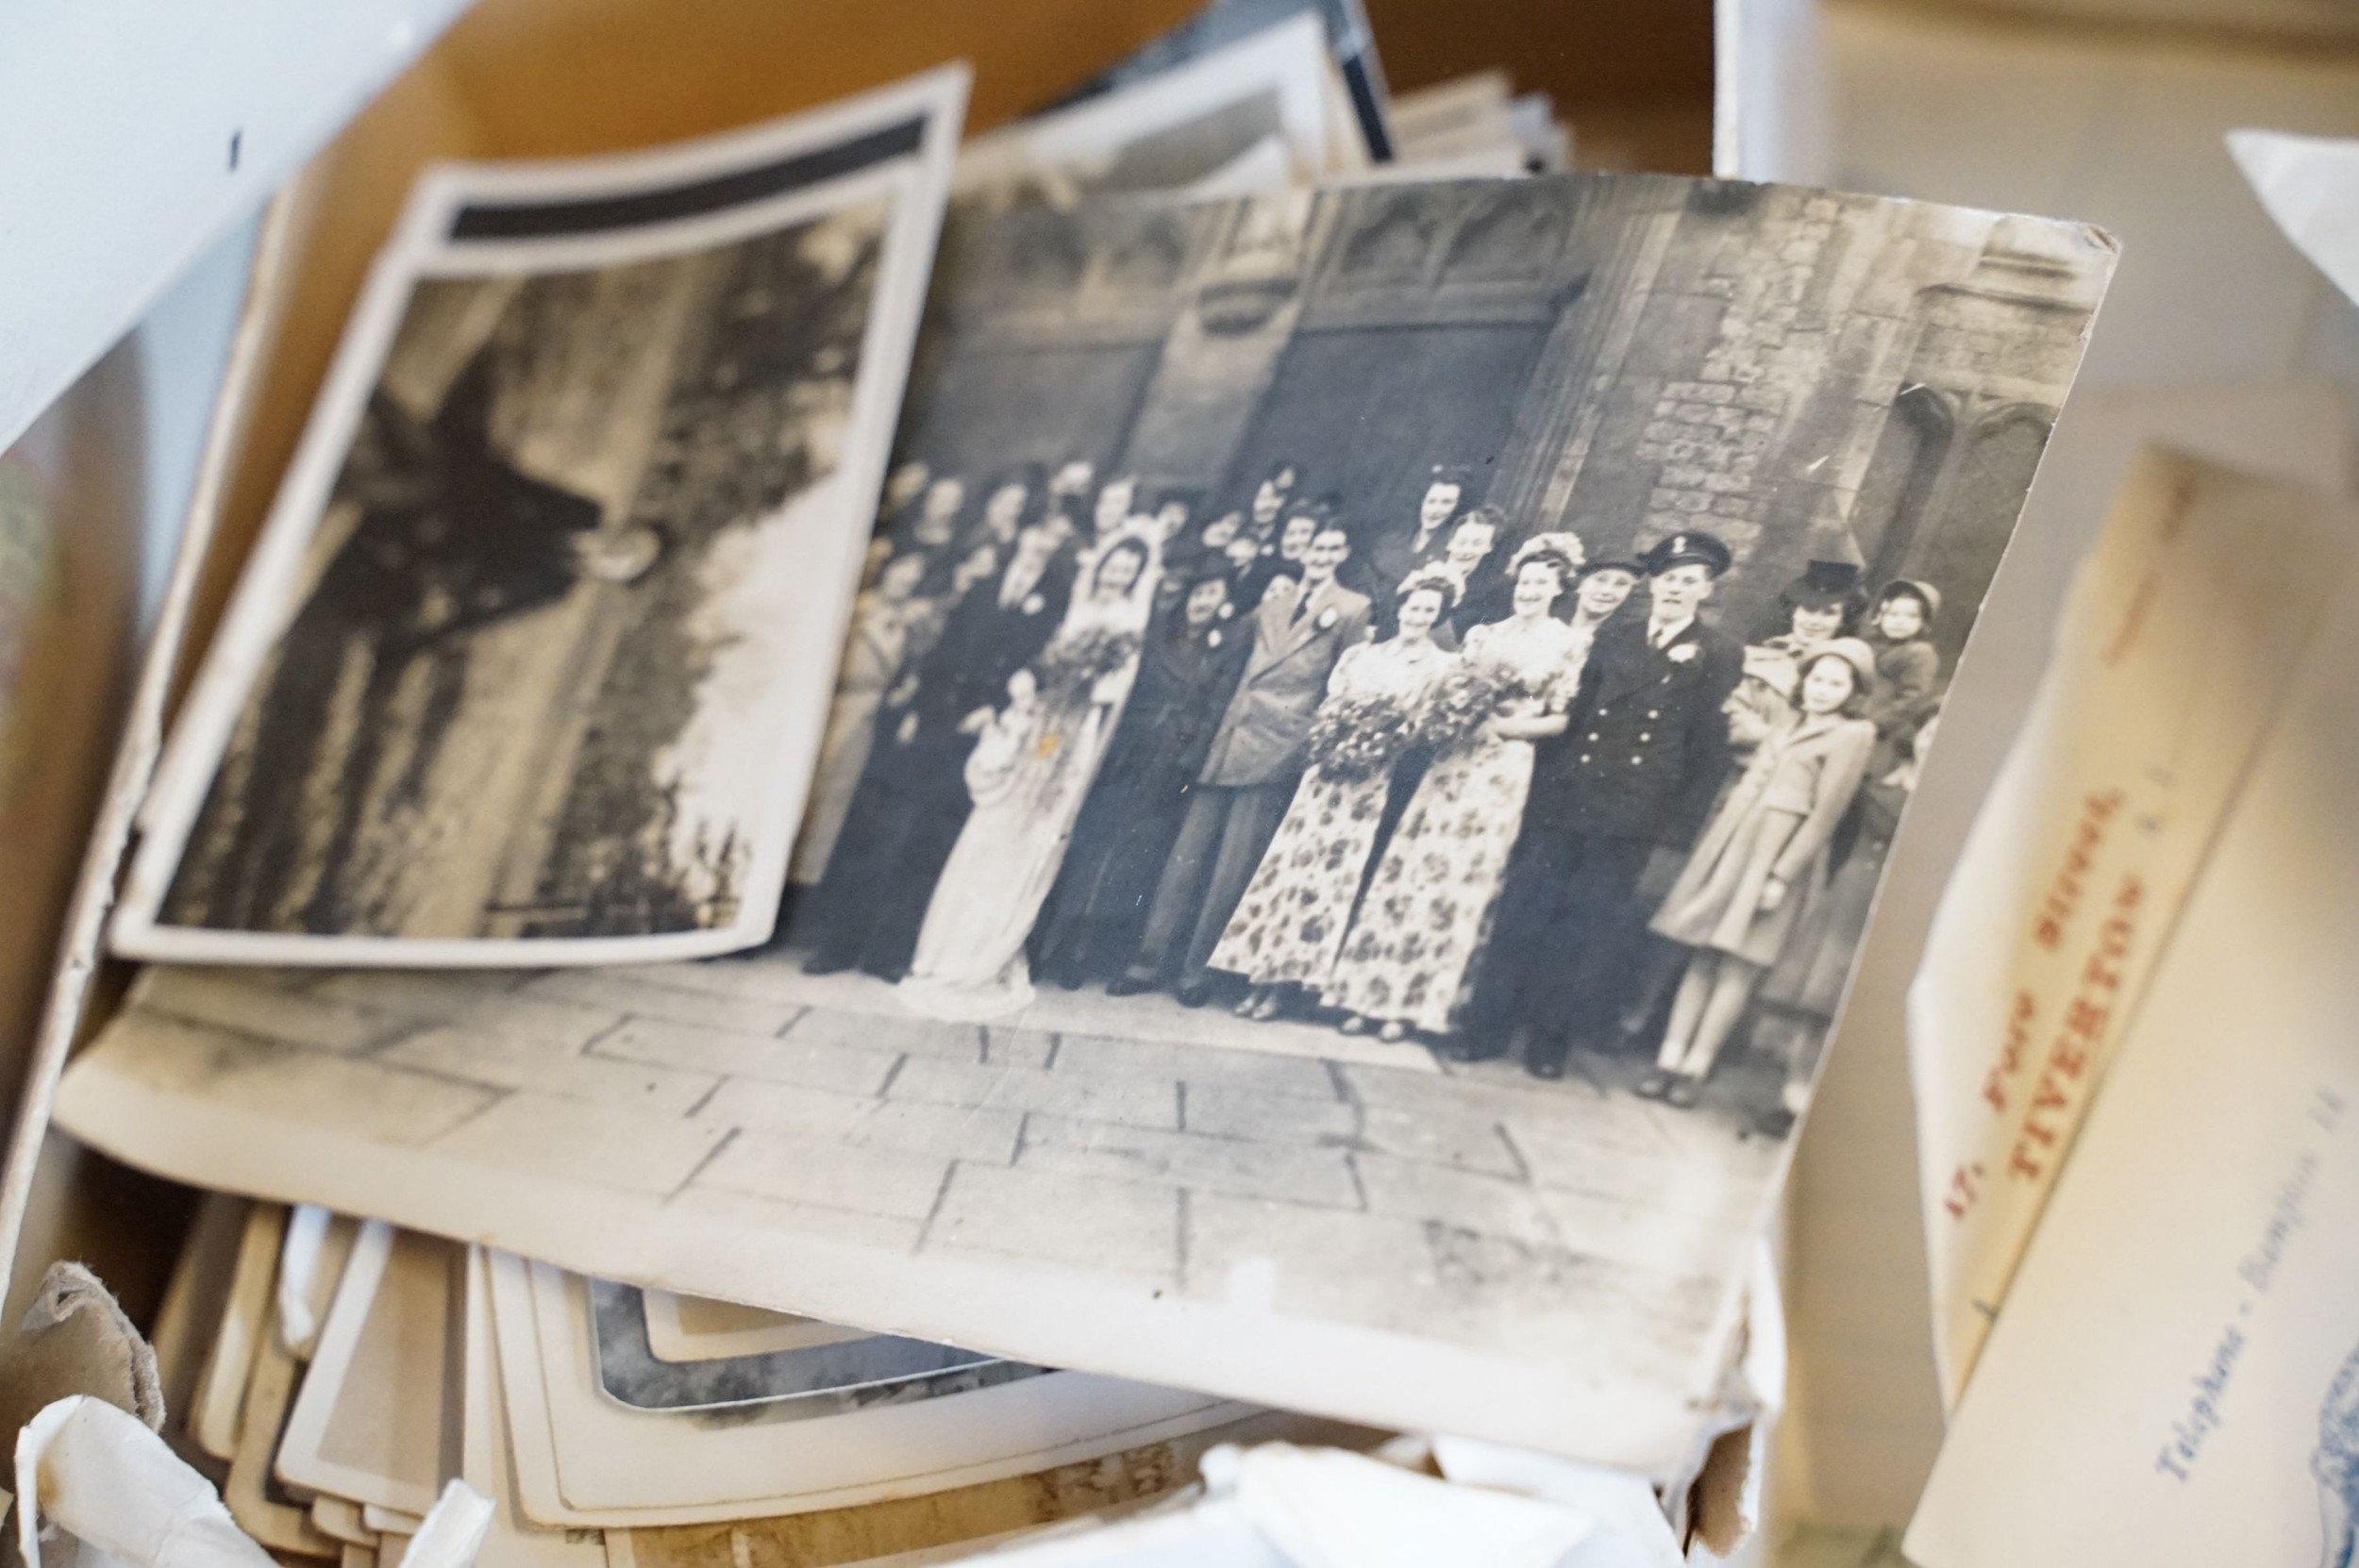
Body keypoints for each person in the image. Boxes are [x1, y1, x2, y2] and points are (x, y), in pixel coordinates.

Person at [1463, 530, 1745, 1078]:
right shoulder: (1614, 636)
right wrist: (1540, 790)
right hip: (1570, 794)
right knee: (1525, 910)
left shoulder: (1719, 652)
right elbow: (1575, 716)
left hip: (1634, 809)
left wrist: (1677, 826)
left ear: (1706, 590)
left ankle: (1549, 1042)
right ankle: (1485, 1028)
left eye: (1689, 581)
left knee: (1587, 927)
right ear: (1654, 584)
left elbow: (1708, 747)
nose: (1675, 589)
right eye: (1667, 579)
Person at [1325, 542, 1600, 1047]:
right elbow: (1446, 696)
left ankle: (1414, 1007)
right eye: (1525, 581)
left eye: (1541, 583)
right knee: (1411, 871)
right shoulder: (1483, 636)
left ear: (1560, 588)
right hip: (1453, 761)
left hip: (1502, 765)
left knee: (1458, 879)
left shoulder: (1568, 643)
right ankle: (1366, 995)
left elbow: (1561, 719)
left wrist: (1504, 727)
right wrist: (1455, 717)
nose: (1529, 591)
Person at [791, 517, 1075, 979]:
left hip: (983, 732)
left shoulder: (1053, 600)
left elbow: (1039, 666)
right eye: (1037, 533)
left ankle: (890, 952)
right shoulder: (982, 587)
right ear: (1023, 536)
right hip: (936, 719)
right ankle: (840, 945)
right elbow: (943, 652)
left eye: (1052, 538)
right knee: (882, 831)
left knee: (928, 843)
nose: (1041, 544)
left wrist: (994, 708)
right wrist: (921, 711)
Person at [897, 533, 1160, 1019]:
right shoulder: (1076, 605)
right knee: (997, 823)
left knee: (1033, 826)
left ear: (1135, 578)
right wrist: (1035, 688)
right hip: (1039, 720)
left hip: (1070, 731)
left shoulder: (1128, 624)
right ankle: (949, 947)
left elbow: (1109, 695)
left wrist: (1079, 691)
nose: (1117, 575)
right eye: (1113, 564)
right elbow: (1041, 662)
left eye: (1128, 570)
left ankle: (988, 949)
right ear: (1101, 564)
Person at [1112, 520, 1373, 1007]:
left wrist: (1307, 743)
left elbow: (1346, 681)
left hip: (1279, 746)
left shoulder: (1352, 608)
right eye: (1316, 547)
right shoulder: (1270, 606)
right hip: (1230, 738)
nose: (1321, 555)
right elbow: (1225, 655)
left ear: (1343, 555)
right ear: (1305, 552)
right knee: (1185, 858)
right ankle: (1147, 961)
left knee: (1231, 869)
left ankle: (1196, 972)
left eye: (1332, 548)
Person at [1209, 568, 1457, 1022]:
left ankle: (1285, 986)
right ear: (1400, 608)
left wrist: (1379, 738)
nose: (1417, 616)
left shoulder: (1440, 666)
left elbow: (1423, 727)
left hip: (1369, 783)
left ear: (1438, 617)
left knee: (1328, 882)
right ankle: (1258, 976)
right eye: (1413, 606)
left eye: (1429, 610)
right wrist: (1339, 734)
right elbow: (1330, 705)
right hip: (1324, 777)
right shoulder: (1360, 656)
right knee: (1291, 870)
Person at [1640, 639, 1878, 1108]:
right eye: (1817, 679)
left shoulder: (1853, 735)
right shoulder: (1787, 724)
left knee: (1738, 966)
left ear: (1852, 692)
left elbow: (1825, 815)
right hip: (1733, 848)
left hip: (1772, 859)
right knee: (1701, 955)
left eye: (1836, 684)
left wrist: (1781, 875)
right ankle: (1668, 1060)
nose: (1822, 690)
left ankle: (1695, 1068)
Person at [1033, 566, 1249, 986]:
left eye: (1213, 594)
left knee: (1131, 859)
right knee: (1092, 846)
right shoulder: (1156, 637)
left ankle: (1086, 951)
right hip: (1127, 754)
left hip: (1168, 765)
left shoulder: (1220, 649)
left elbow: (1214, 707)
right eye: (1199, 592)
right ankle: (1052, 944)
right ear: (1186, 596)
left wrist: (1188, 759)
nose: (1203, 603)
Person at [1750, 708, 1933, 1136]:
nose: (1934, 742)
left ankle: (1838, 1111)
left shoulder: (1949, 806)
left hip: (1901, 910)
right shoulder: (1877, 786)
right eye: (1929, 731)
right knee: (1816, 1004)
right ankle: (1793, 1099)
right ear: (1915, 736)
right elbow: (1840, 839)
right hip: (1850, 898)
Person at [788, 548, 934, 885]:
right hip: (829, 706)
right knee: (807, 781)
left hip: (866, 716)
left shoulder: (909, 623)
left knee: (837, 793)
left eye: (913, 579)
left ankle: (806, 877)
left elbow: (908, 674)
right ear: (888, 570)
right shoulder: (857, 607)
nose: (905, 581)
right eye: (902, 570)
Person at [1727, 559, 1862, 754]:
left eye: (1829, 613)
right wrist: (1784, 741)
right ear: (1794, 612)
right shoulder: (1755, 658)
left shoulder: (1850, 671)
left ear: (1842, 621)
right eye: (1809, 609)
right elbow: (1733, 716)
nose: (1814, 621)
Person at [1363, 463, 1469, 626]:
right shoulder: (1391, 540)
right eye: (1431, 501)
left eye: (1446, 502)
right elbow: (1365, 584)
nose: (1435, 510)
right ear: (1422, 501)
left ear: (1457, 507)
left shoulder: (1452, 551)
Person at [1862, 578, 1942, 758]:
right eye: (1893, 614)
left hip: (1879, 729)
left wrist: (1875, 723)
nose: (1899, 622)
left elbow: (1912, 698)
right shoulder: (1869, 644)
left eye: (1911, 616)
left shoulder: (1920, 653)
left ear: (1924, 622)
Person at [1235, 497, 1326, 609]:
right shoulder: (1262, 566)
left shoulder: (1315, 576)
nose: (1295, 540)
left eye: (1304, 532)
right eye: (1290, 533)